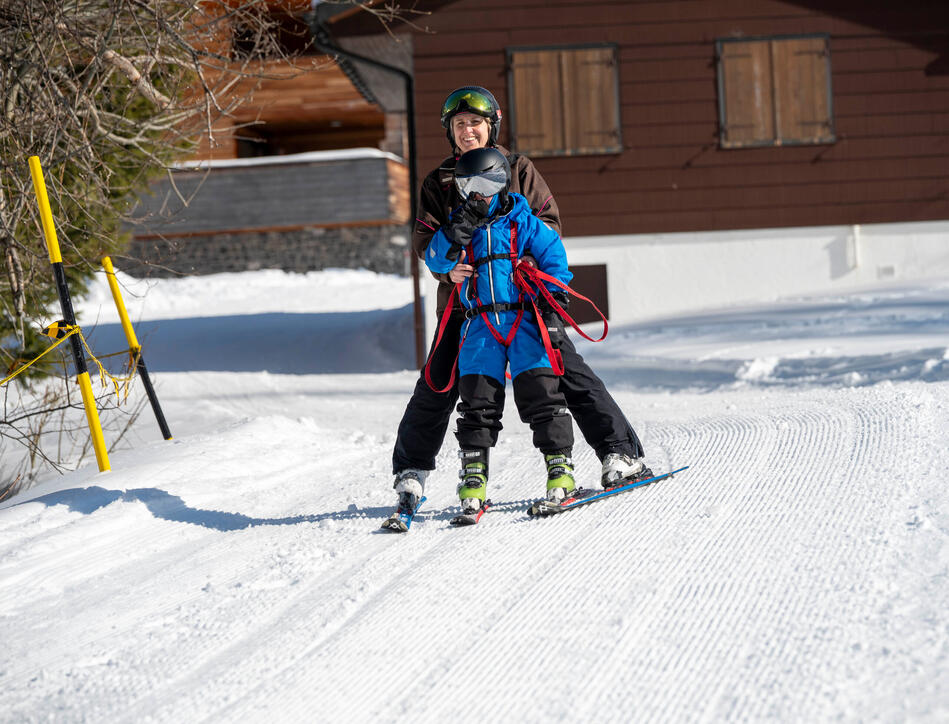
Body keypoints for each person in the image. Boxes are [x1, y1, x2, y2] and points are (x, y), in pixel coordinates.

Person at [391, 85, 648, 513]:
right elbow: (425, 239)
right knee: (440, 380)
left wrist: (529, 264)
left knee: (564, 371)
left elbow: (546, 222)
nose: (467, 131)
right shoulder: (438, 181)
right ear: (450, 133)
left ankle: (618, 453)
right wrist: (444, 268)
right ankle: (411, 470)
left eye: (475, 123)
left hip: (525, 299)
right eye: (459, 125)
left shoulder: (516, 167)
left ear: (490, 126)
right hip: (465, 300)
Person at [424, 147, 577, 511]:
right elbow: (435, 257)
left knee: (542, 392)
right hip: (480, 324)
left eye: (488, 183)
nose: (480, 193)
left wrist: (552, 292)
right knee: (477, 400)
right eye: (469, 185)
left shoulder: (521, 220)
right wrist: (453, 246)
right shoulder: (461, 226)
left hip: (524, 318)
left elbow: (553, 252)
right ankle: (473, 477)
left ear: (503, 182)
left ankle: (559, 468)